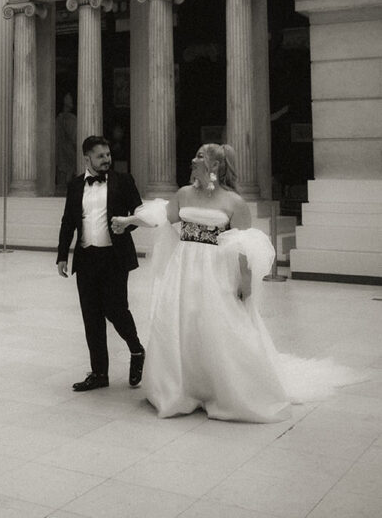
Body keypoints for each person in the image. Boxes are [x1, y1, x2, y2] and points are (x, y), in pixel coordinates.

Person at [112, 143, 361, 422]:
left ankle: (224, 388)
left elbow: (243, 244)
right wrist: (128, 220)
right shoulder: (183, 194)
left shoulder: (234, 202)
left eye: (200, 157)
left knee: (219, 323)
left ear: (215, 166)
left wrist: (245, 280)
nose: (193, 160)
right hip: (184, 268)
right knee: (183, 322)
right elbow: (161, 218)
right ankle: (183, 386)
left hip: (216, 270)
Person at [57, 135, 146, 392]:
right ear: (87, 159)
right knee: (91, 317)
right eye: (100, 156)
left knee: (116, 310)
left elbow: (138, 215)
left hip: (114, 257)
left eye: (108, 155)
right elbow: (67, 222)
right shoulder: (75, 186)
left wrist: (126, 225)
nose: (107, 159)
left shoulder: (124, 181)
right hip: (86, 259)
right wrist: (63, 255)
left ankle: (136, 349)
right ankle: (99, 373)